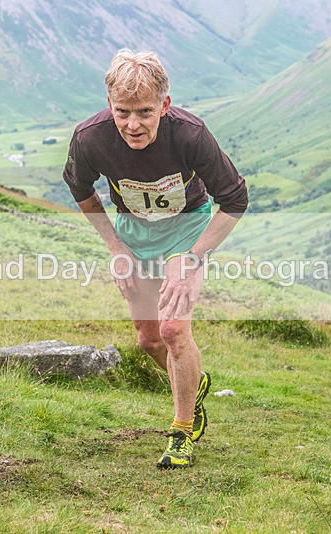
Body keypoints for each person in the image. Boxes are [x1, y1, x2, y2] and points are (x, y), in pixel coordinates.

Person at [62, 50, 248, 468]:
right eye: (122, 112)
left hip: (186, 230)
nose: (133, 125)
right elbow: (80, 190)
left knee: (173, 329)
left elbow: (235, 199)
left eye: (145, 112)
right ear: (109, 105)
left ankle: (182, 430)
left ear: (164, 104)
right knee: (148, 340)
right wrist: (116, 248)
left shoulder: (190, 134)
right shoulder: (90, 138)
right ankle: (193, 383)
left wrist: (193, 260)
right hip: (133, 233)